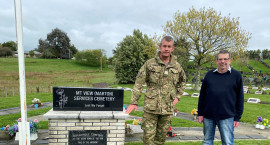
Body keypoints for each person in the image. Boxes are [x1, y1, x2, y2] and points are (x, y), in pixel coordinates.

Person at [125, 36, 186, 145]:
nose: (166, 49)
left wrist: (177, 96)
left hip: (167, 109)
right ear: (159, 47)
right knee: (148, 139)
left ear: (173, 48)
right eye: (164, 46)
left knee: (160, 140)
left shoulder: (177, 66)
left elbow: (183, 81)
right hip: (151, 108)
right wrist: (134, 102)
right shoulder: (149, 64)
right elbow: (139, 82)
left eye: (169, 46)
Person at [197, 50, 244, 145]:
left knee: (227, 142)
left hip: (227, 116)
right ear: (216, 61)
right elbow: (202, 95)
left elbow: (240, 98)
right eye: (220, 59)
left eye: (225, 59)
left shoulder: (236, 75)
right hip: (208, 116)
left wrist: (237, 117)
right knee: (207, 141)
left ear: (230, 60)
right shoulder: (209, 75)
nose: (223, 61)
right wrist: (200, 113)